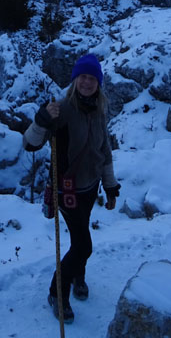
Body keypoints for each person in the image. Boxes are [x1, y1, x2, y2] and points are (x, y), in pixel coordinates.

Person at [23, 53, 120, 324]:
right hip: (67, 190)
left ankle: (79, 276)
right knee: (83, 245)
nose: (87, 82)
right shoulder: (61, 109)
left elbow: (104, 151)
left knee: (82, 235)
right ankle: (57, 292)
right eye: (83, 77)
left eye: (92, 78)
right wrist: (41, 119)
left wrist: (110, 186)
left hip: (90, 188)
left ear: (98, 83)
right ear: (75, 80)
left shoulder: (99, 111)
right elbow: (29, 144)